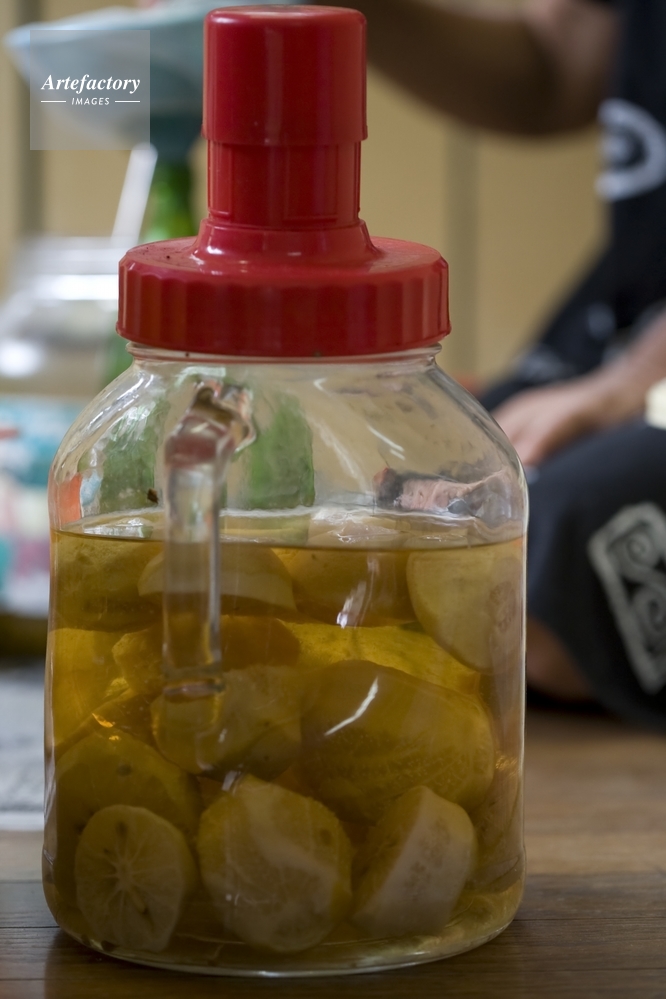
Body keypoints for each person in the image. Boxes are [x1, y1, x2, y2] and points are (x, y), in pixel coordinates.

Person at [314, 0, 666, 729]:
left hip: (647, 367)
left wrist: (638, 382)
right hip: (625, 317)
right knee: (368, 499)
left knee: (541, 565)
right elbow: (559, 66)